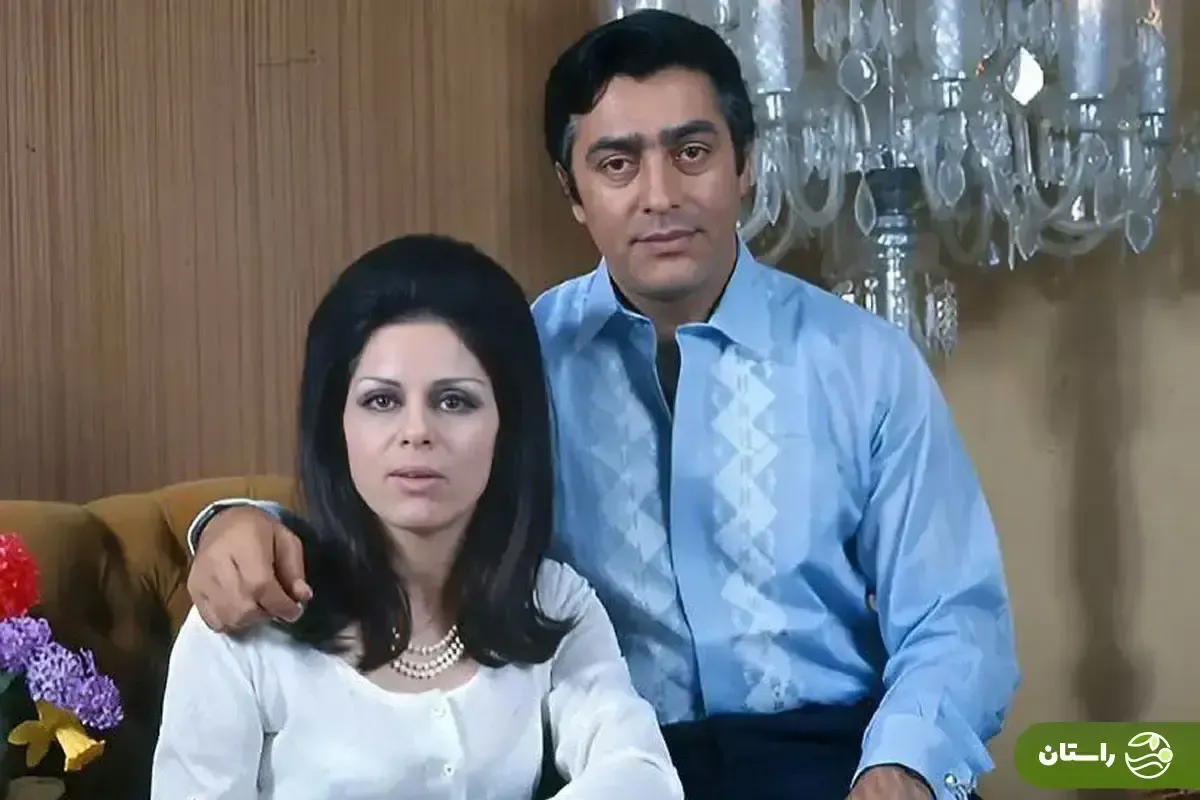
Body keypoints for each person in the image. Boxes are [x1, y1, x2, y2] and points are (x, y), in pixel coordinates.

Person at [182, 10, 1020, 800]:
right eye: (617, 164)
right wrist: (236, 523)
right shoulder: (517, 359)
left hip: (838, 753)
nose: (660, 195)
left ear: (746, 164)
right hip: (615, 758)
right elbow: (404, 507)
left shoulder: (863, 361)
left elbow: (956, 617)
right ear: (573, 190)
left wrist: (905, 765)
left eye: (692, 152)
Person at [151, 235, 684, 799]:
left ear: (508, 426)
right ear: (336, 424)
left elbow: (640, 772)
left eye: (454, 401)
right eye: (381, 401)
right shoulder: (250, 612)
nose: (417, 431)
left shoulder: (550, 601)